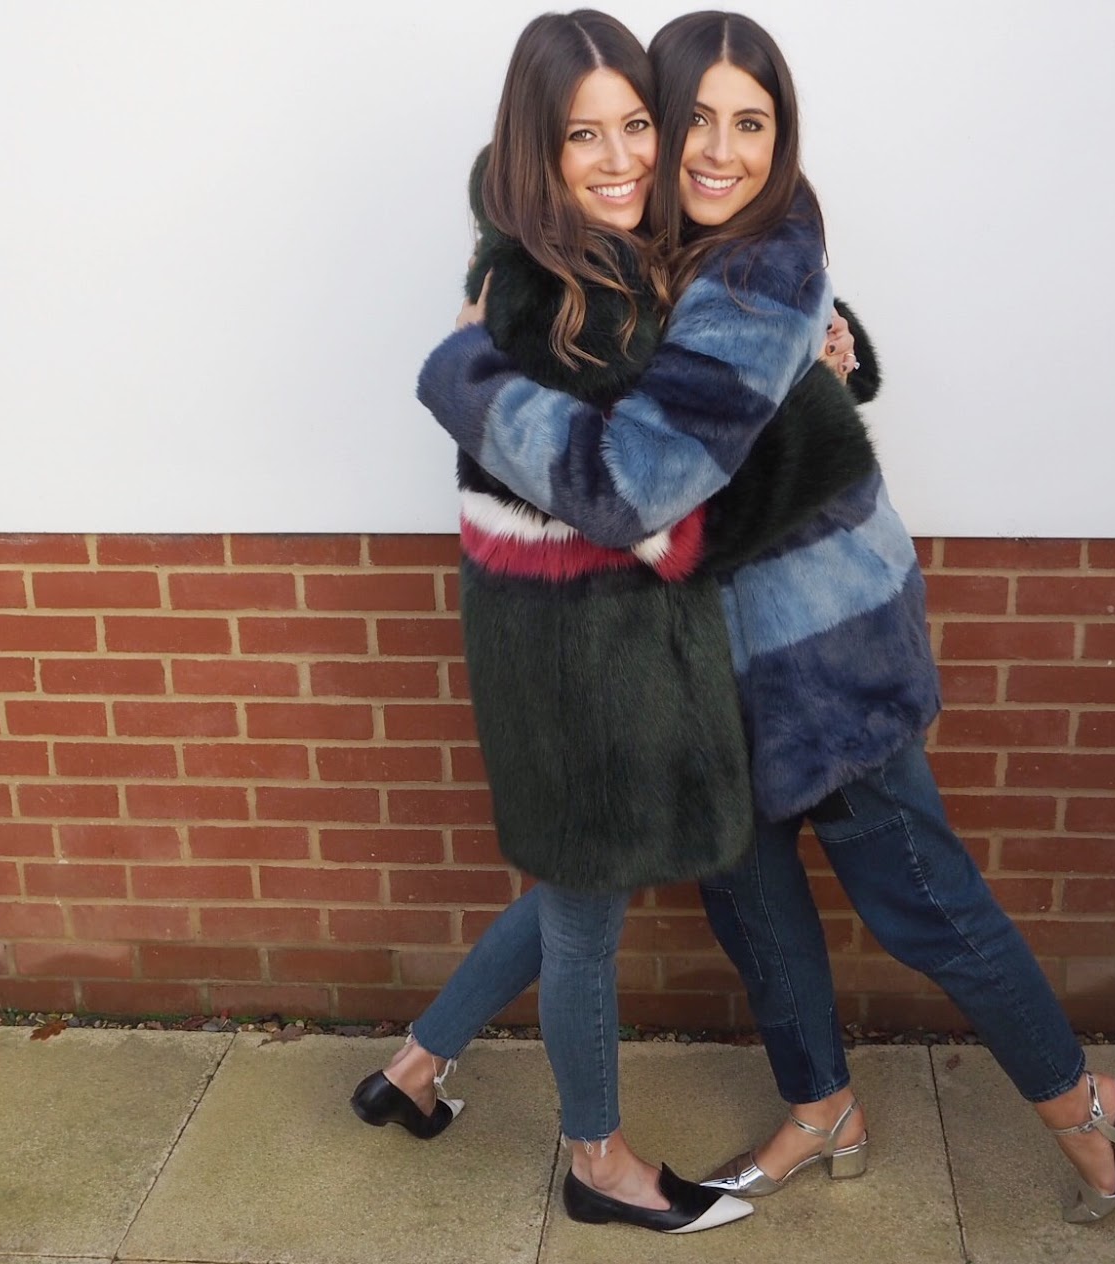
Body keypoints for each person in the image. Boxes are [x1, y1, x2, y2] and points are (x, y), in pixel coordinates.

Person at [416, 9, 1115, 1227]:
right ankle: (821, 1107)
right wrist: (835, 359)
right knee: (753, 908)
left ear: (783, 136)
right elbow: (692, 362)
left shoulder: (758, 264)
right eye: (693, 121)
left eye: (752, 124)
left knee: (921, 900)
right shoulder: (664, 244)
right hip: (712, 659)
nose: (720, 152)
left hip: (821, 656)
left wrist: (464, 377)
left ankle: (1077, 1100)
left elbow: (637, 481)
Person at [352, 11, 758, 1234]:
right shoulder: (558, 289)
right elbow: (649, 510)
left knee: (579, 885)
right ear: (539, 146)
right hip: (587, 650)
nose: (622, 158)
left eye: (636, 124)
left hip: (558, 635)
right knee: (585, 916)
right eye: (585, 135)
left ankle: (414, 1067)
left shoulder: (559, 262)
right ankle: (599, 1162)